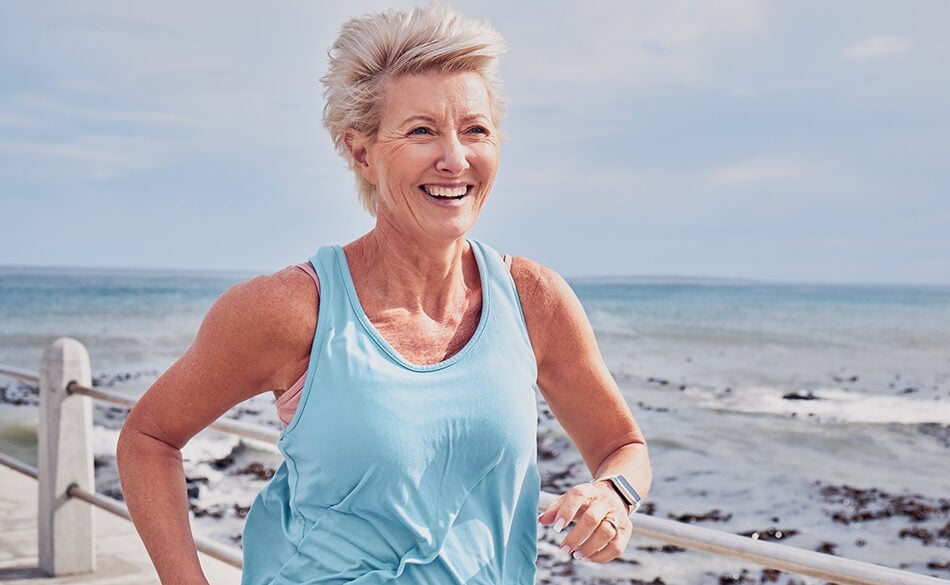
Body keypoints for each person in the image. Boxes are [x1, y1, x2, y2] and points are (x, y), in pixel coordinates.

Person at [116, 4, 651, 584]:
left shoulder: (535, 300)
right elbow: (149, 438)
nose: (455, 158)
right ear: (362, 152)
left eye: (475, 130)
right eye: (422, 131)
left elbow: (623, 445)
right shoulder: (292, 310)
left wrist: (614, 494)